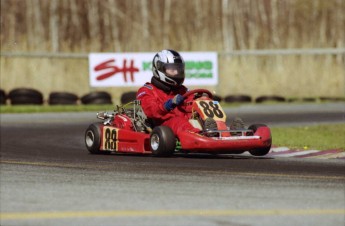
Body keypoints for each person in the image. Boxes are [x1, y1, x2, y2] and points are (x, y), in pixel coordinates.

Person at [136, 49, 217, 138]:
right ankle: (200, 135)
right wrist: (168, 105)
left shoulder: (182, 90)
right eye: (172, 69)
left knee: (201, 114)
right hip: (163, 125)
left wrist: (201, 99)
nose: (176, 72)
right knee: (179, 122)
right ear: (159, 69)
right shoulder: (147, 90)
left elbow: (190, 104)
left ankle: (224, 131)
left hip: (185, 122)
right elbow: (151, 111)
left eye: (178, 69)